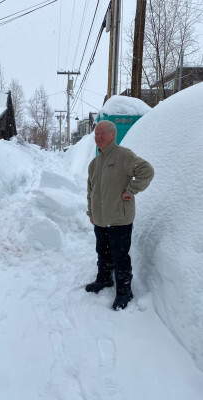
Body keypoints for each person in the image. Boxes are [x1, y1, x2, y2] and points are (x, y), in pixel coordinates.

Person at [86, 120, 154, 310]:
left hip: (119, 219)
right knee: (103, 252)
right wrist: (91, 212)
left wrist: (130, 190)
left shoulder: (123, 155)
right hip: (100, 219)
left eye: (102, 134)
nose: (97, 138)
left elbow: (146, 171)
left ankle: (125, 292)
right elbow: (90, 190)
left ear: (113, 134)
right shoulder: (95, 162)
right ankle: (104, 279)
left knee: (120, 256)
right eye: (96, 134)